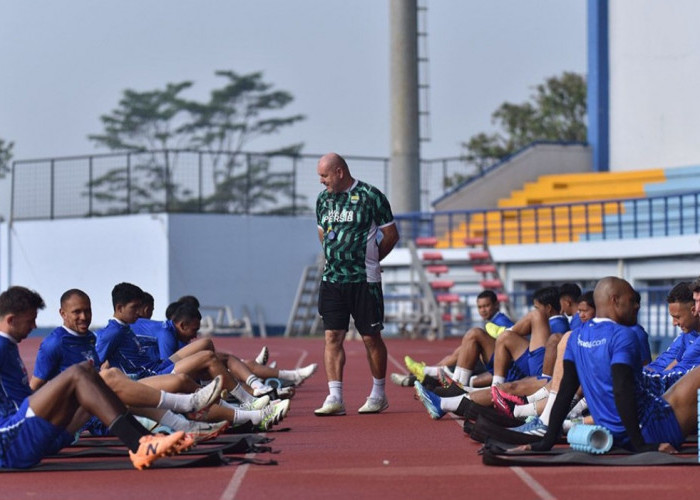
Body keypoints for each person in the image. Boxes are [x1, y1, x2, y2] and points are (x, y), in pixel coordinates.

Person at [0, 286, 193, 470]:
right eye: (30, 320)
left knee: (94, 377)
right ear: (10, 320)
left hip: (39, 436)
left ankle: (149, 438)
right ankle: (174, 414)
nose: (34, 326)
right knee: (79, 373)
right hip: (14, 442)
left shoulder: (8, 345)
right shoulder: (6, 346)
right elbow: (37, 385)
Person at [524, 277, 699, 453]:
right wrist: (641, 445)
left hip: (615, 434)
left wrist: (547, 442)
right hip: (652, 428)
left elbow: (565, 392)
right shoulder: (623, 335)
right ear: (615, 300)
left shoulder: (576, 337)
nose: (637, 306)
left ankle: (535, 415)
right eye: (632, 300)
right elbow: (622, 389)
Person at [29, 289, 229, 440]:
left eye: (87, 311)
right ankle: (205, 411)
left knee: (117, 379)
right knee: (168, 390)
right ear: (62, 313)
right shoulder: (53, 344)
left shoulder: (90, 337)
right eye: (76, 312)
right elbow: (34, 388)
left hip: (101, 400)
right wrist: (33, 425)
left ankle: (221, 413)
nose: (84, 316)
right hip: (86, 416)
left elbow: (98, 369)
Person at [313, 152, 399, 416]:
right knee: (331, 337)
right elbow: (322, 234)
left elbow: (391, 235)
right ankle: (335, 397)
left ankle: (378, 393)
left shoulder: (371, 196)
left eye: (324, 176)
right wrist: (334, 257)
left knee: (371, 337)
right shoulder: (323, 200)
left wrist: (373, 258)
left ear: (340, 172)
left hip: (364, 281)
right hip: (332, 280)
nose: (321, 182)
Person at [402, 290, 513, 386]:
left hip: (502, 367)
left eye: (486, 306)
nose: (483, 310)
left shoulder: (501, 322)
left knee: (471, 342)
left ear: (496, 305)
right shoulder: (493, 321)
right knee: (462, 351)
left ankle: (430, 372)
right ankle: (430, 372)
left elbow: (506, 347)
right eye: (480, 307)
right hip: (493, 365)